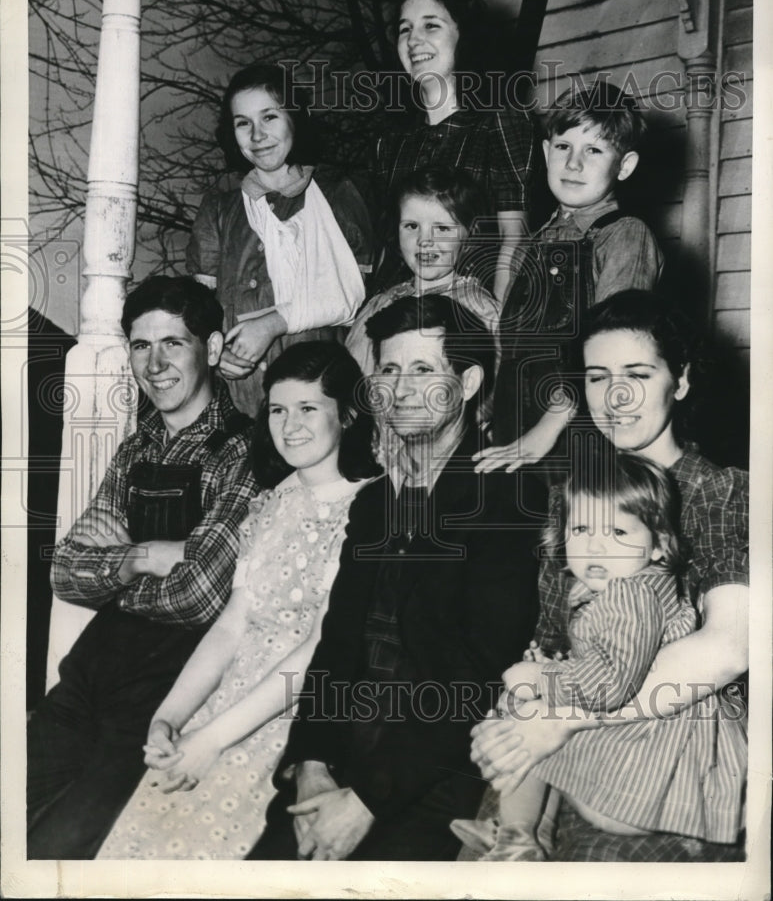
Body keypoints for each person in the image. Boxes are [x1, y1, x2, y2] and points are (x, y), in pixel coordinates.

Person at [248, 294, 543, 861]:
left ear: (470, 381)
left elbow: (476, 677)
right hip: (339, 760)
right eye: (388, 369)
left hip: (432, 775)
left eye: (424, 370)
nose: (401, 389)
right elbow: (337, 645)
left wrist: (365, 801)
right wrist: (311, 767)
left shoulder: (507, 497)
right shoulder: (377, 502)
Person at [470, 289, 748, 862]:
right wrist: (514, 711)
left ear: (683, 381)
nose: (615, 397)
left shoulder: (723, 492)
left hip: (667, 743)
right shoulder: (575, 491)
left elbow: (729, 646)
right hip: (561, 726)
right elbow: (554, 637)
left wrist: (561, 720)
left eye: (638, 374)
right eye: (597, 378)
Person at [97, 342, 380, 859]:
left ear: (349, 414)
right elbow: (233, 624)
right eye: (277, 409)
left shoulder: (368, 507)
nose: (289, 425)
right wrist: (171, 718)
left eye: (308, 408)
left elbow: (321, 646)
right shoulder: (274, 500)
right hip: (223, 702)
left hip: (289, 716)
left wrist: (213, 740)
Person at [27, 275, 259, 859]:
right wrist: (146, 556)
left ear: (212, 345)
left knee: (67, 847)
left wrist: (115, 571)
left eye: (172, 344)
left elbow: (201, 596)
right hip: (88, 674)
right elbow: (64, 573)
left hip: (164, 694)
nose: (153, 364)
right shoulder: (136, 448)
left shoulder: (246, 449)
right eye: (139, 345)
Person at [453, 448, 745, 861]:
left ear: (660, 545)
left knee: (527, 706)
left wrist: (541, 679)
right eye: (582, 528)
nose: (595, 547)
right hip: (645, 758)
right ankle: (525, 831)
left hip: (635, 782)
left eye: (618, 533)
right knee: (531, 711)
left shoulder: (630, 595)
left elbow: (607, 685)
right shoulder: (640, 583)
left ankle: (516, 837)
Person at [475, 80, 663, 473]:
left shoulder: (624, 233)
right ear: (546, 153)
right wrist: (488, 408)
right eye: (563, 147)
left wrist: (550, 425)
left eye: (593, 150)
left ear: (624, 166)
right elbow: (510, 348)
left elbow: (612, 350)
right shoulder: (536, 241)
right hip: (516, 430)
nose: (573, 164)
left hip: (579, 432)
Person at [187, 62, 371, 417]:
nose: (257, 135)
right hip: (240, 403)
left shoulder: (339, 198)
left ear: (294, 120)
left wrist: (271, 324)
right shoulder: (219, 211)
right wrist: (215, 351)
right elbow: (199, 315)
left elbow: (350, 299)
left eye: (269, 117)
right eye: (243, 123)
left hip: (322, 399)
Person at [372, 0, 538, 304]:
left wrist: (497, 326)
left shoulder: (500, 121)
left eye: (431, 26)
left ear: (465, 36)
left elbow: (514, 235)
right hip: (398, 304)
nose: (413, 40)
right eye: (404, 29)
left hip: (465, 305)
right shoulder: (390, 141)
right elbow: (387, 246)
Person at [346, 166, 499, 377]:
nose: (424, 240)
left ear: (470, 235)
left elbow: (493, 395)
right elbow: (350, 384)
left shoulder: (479, 312)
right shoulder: (380, 305)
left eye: (442, 228)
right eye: (411, 226)